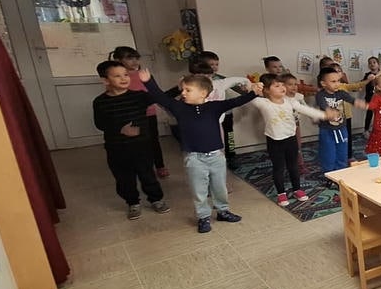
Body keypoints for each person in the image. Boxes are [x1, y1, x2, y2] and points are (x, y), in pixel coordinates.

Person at [139, 68, 258, 233]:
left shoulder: (214, 107)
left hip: (216, 156)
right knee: (199, 190)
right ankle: (203, 217)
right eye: (183, 90)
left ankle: (223, 211)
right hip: (194, 158)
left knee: (219, 187)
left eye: (188, 90)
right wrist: (148, 81)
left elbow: (236, 101)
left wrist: (254, 93)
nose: (183, 93)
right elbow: (160, 97)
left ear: (203, 93)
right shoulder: (179, 108)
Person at [92, 60, 170, 220]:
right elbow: (100, 123)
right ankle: (132, 202)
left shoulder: (139, 96)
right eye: (117, 76)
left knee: (147, 174)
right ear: (105, 80)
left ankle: (156, 199)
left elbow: (161, 97)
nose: (124, 78)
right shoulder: (100, 102)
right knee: (124, 178)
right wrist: (120, 129)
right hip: (116, 148)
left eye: (126, 74)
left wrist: (152, 82)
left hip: (142, 146)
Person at [250, 73, 337, 206]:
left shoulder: (290, 102)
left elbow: (306, 110)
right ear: (266, 90)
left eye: (282, 85)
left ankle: (297, 189)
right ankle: (281, 193)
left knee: (293, 165)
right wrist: (253, 87)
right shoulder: (262, 103)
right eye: (277, 86)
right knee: (278, 167)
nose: (282, 88)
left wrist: (324, 115)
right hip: (274, 141)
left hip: (291, 139)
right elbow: (246, 95)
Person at [110, 47, 168, 178]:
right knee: (135, 143)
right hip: (129, 116)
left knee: (153, 140)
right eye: (129, 58)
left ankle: (160, 166)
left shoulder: (143, 74)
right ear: (118, 60)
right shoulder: (118, 78)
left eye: (136, 58)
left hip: (149, 113)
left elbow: (156, 92)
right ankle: (140, 167)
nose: (134, 61)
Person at [314, 66, 364, 179]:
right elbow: (323, 104)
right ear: (323, 83)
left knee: (342, 151)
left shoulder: (341, 93)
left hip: (341, 128)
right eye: (333, 81)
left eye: (338, 81)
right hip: (327, 130)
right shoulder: (320, 95)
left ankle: (341, 172)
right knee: (329, 153)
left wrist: (360, 103)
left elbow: (352, 100)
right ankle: (329, 175)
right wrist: (328, 110)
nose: (337, 84)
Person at [362, 56, 381, 135]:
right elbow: (362, 83)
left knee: (380, 114)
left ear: (378, 64)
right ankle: (366, 130)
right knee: (369, 114)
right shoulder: (367, 75)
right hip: (370, 98)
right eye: (370, 63)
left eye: (374, 62)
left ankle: (379, 129)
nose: (372, 64)